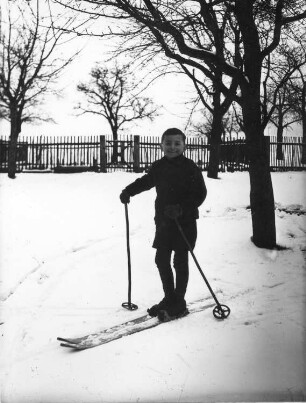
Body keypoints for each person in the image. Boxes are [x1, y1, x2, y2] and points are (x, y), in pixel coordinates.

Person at [120, 128, 207, 319]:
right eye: (168, 143)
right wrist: (129, 191)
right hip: (164, 222)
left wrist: (182, 208)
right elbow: (147, 181)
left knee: (180, 260)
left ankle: (179, 302)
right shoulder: (159, 166)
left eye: (177, 143)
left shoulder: (190, 167)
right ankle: (169, 297)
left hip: (185, 222)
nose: (172, 147)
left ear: (184, 145)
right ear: (161, 145)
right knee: (161, 259)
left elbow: (200, 193)